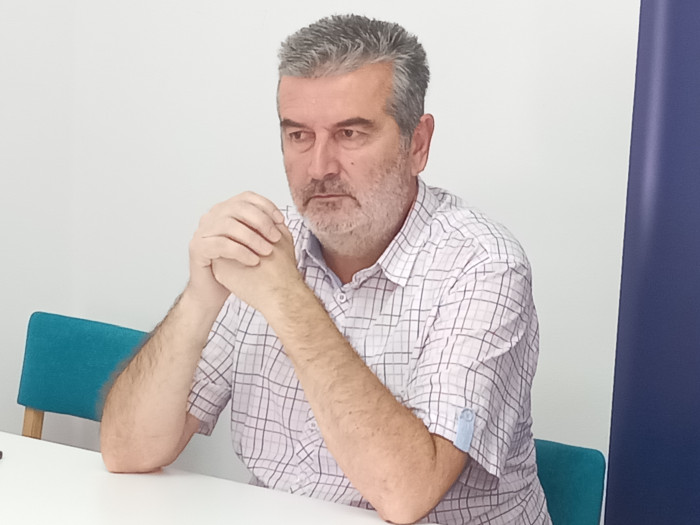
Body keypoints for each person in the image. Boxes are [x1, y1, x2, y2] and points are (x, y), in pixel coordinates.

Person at [100, 14, 551, 525]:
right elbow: (126, 451)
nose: (319, 168)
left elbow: (406, 494)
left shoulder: (484, 267)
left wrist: (287, 299)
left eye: (350, 134)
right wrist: (199, 299)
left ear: (418, 144)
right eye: (298, 135)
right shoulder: (268, 243)